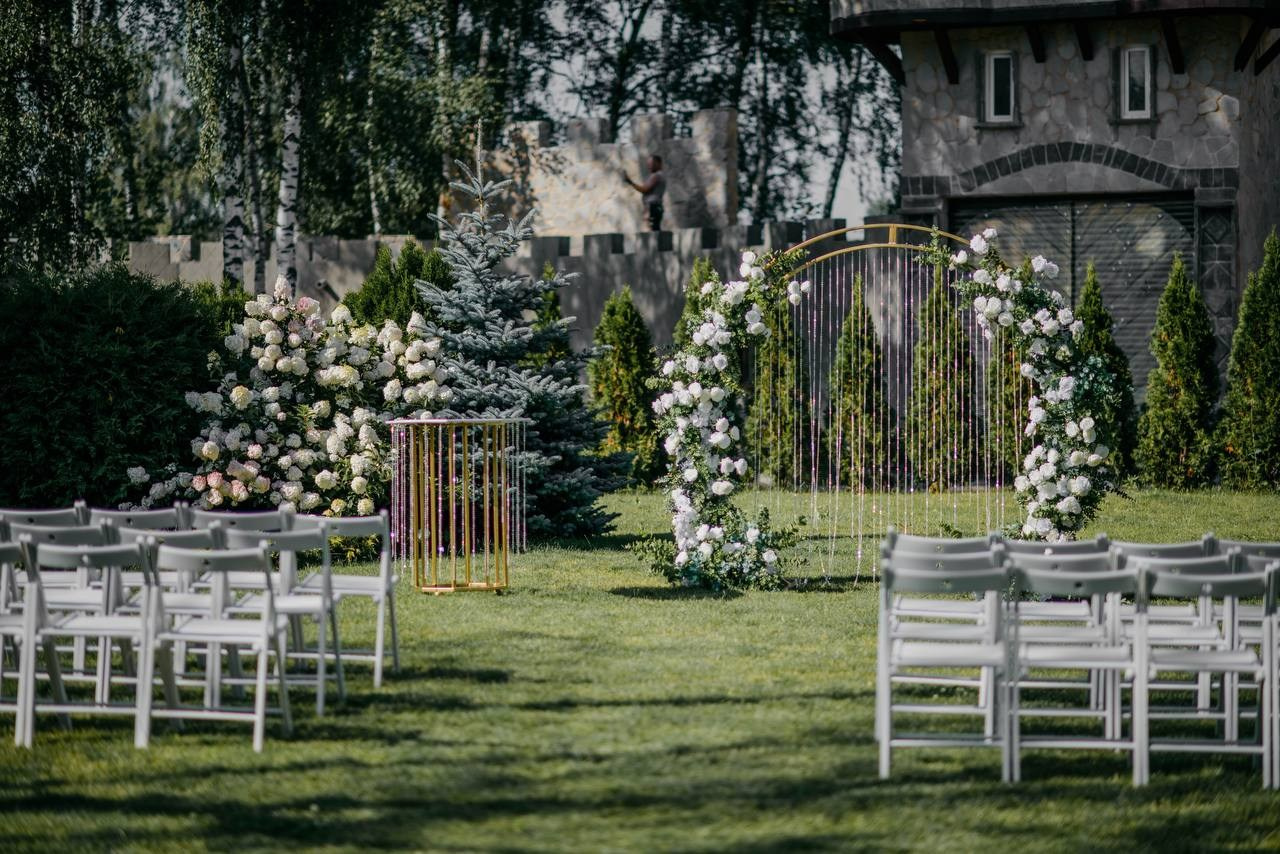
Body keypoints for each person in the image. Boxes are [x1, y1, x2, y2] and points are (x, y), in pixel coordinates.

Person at [622, 154, 666, 231]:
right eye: (648, 164)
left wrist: (630, 182)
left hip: (653, 207)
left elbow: (644, 189)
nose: (649, 166)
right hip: (655, 206)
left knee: (653, 231)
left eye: (652, 164)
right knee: (654, 229)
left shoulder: (657, 176)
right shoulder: (658, 175)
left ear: (658, 163)